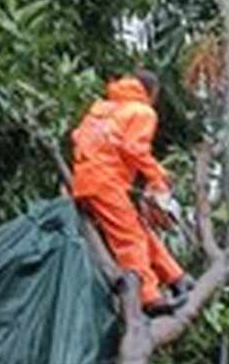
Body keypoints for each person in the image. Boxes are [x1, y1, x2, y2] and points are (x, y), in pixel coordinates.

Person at [70, 70, 194, 316]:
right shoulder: (142, 112)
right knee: (130, 239)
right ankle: (149, 298)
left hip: (87, 179)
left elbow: (79, 137)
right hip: (105, 181)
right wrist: (157, 177)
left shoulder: (104, 108)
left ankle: (177, 278)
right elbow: (133, 148)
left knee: (138, 228)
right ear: (152, 93)